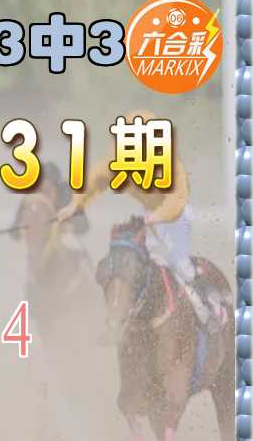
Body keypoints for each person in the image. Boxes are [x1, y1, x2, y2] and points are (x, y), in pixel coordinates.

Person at [57, 110, 213, 329]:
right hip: (149, 214)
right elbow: (94, 180)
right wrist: (75, 205)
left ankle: (206, 311)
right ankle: (126, 316)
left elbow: (177, 200)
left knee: (178, 264)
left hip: (175, 216)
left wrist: (158, 216)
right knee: (138, 261)